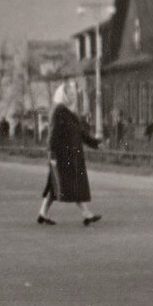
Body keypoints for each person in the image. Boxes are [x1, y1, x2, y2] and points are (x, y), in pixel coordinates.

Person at [38, 82, 102, 226]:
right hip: (62, 157)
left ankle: (42, 213)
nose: (73, 97)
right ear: (64, 96)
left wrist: (96, 143)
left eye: (74, 94)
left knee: (55, 186)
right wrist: (52, 154)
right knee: (72, 184)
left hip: (69, 156)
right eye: (70, 94)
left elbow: (81, 134)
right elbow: (52, 135)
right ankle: (86, 213)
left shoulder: (68, 112)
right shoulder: (59, 111)